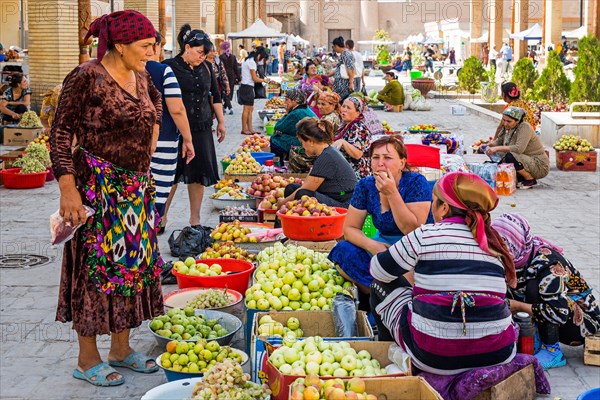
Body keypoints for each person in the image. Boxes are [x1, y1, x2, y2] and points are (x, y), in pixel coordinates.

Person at [50, 10, 164, 387]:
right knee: (93, 272)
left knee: (132, 270)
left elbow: (156, 108)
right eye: (146, 45)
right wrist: (68, 188)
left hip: (134, 193)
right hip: (95, 192)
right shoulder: (88, 76)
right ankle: (87, 359)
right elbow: (61, 133)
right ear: (120, 43)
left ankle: (120, 348)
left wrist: (147, 153)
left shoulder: (142, 76)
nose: (151, 52)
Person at [370, 172, 518, 374]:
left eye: (434, 202)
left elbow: (378, 270)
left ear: (444, 208)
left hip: (433, 356)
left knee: (381, 284)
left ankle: (392, 354)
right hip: (498, 353)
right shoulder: (494, 244)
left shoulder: (425, 235)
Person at [328, 135, 432, 306]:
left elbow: (412, 230)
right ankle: (383, 295)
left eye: (388, 158)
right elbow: (350, 229)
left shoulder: (416, 182)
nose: (380, 163)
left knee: (407, 272)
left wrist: (392, 193)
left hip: (413, 247)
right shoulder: (366, 185)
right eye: (375, 158)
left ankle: (386, 298)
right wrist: (371, 245)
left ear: (402, 163)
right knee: (343, 252)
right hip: (381, 247)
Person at [492, 213, 600, 370]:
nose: (495, 247)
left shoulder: (548, 264)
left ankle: (553, 351)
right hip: (551, 311)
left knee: (533, 287)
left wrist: (518, 306)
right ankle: (534, 340)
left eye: (502, 243)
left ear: (514, 242)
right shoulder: (518, 256)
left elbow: (559, 312)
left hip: (580, 323)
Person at [164, 24, 226, 226]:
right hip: (176, 129)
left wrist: (222, 122)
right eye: (200, 52)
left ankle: (195, 218)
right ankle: (161, 217)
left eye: (205, 54)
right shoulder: (169, 66)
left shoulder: (206, 67)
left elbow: (215, 96)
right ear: (187, 47)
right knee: (171, 174)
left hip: (201, 128)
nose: (202, 57)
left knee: (199, 174)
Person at [146, 31, 195, 230]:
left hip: (129, 144)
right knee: (156, 192)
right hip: (163, 140)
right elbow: (177, 109)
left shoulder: (119, 71)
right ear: (156, 47)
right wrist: (188, 139)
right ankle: (151, 233)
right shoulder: (163, 71)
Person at [277, 118, 357, 207]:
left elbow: (306, 188)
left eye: (302, 142)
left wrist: (282, 204)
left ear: (311, 141)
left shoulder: (327, 157)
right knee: (291, 188)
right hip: (334, 196)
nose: (302, 146)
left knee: (302, 194)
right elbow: (309, 182)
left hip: (345, 204)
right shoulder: (327, 152)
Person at [485, 106, 549, 189]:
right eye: (503, 120)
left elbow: (519, 149)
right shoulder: (507, 127)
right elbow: (499, 141)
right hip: (524, 159)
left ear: (517, 121)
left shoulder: (525, 127)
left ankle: (530, 179)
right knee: (496, 154)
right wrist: (487, 145)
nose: (505, 123)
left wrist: (496, 148)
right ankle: (519, 177)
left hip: (538, 165)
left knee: (509, 156)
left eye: (509, 121)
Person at [270, 89, 317, 160]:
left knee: (275, 138)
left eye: (286, 99)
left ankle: (279, 162)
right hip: (313, 140)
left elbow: (278, 127)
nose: (285, 102)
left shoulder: (296, 113)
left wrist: (287, 112)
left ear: (294, 101)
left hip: (307, 143)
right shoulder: (306, 108)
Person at [333, 96, 371, 179]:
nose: (344, 110)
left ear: (358, 112)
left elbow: (358, 154)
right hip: (345, 170)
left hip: (356, 174)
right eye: (343, 106)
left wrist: (343, 142)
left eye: (348, 108)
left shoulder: (359, 128)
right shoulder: (345, 125)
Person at [238, 46, 270, 135]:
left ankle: (250, 128)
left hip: (245, 86)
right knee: (247, 109)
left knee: (250, 108)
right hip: (247, 87)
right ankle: (245, 129)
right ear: (259, 55)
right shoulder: (252, 62)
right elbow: (254, 78)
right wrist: (264, 80)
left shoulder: (248, 60)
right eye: (262, 58)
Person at [208, 44, 230, 114]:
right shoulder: (202, 61)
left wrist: (227, 85)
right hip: (207, 83)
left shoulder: (217, 61)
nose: (212, 53)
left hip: (217, 83)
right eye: (210, 51)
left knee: (217, 99)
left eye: (213, 51)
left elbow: (223, 73)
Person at [331, 36, 355, 101]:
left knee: (340, 101)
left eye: (333, 47)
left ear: (336, 46)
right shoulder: (345, 53)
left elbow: (350, 68)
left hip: (343, 84)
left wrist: (351, 83)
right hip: (342, 83)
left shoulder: (345, 54)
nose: (334, 49)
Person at [219, 41, 240, 115]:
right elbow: (236, 69)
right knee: (229, 92)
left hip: (223, 76)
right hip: (231, 77)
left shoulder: (221, 57)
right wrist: (239, 78)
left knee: (225, 92)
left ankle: (229, 108)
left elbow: (220, 68)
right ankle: (225, 107)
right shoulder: (233, 57)